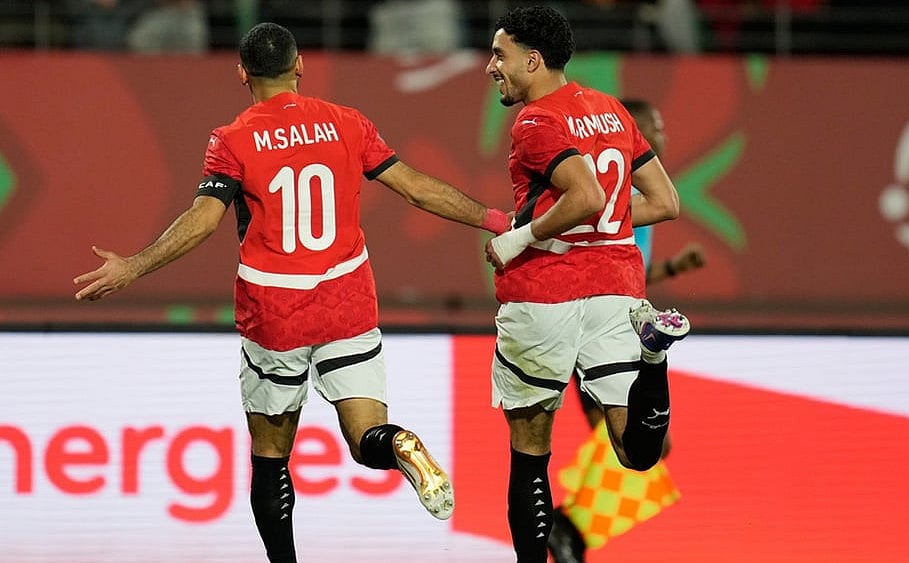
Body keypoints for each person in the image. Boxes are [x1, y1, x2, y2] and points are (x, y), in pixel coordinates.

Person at [73, 22, 511, 562]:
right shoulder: (348, 123)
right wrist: (498, 220)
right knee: (364, 436)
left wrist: (134, 267)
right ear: (299, 65)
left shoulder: (231, 138)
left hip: (274, 309)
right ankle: (396, 444)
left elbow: (204, 220)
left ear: (241, 74)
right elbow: (417, 188)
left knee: (272, 455)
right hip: (347, 301)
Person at [481, 7, 690, 562]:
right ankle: (654, 361)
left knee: (529, 452)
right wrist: (609, 223)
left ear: (533, 59)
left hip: (547, 292)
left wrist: (518, 238)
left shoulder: (534, 121)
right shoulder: (611, 110)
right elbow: (666, 203)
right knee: (639, 454)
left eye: (499, 55)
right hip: (618, 293)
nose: (490, 67)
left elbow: (587, 197)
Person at [547, 98, 707, 563]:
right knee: (637, 440)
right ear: (632, 130)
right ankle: (564, 524)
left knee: (644, 442)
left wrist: (674, 267)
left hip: (621, 323)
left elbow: (629, 271)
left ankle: (569, 527)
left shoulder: (634, 197)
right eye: (655, 125)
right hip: (602, 329)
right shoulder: (618, 197)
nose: (663, 134)